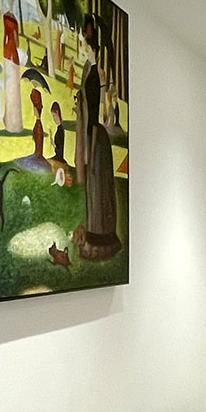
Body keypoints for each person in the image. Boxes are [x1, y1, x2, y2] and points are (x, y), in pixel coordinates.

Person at [75, 14, 120, 260]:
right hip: (91, 134)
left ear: (92, 48)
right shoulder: (88, 71)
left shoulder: (96, 74)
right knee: (94, 189)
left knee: (98, 188)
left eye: (85, 44)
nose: (82, 47)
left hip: (96, 138)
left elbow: (96, 108)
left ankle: (100, 235)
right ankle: (95, 232)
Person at [0, 10, 24, 134]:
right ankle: (14, 124)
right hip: (12, 55)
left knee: (10, 89)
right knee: (13, 89)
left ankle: (10, 122)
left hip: (7, 53)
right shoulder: (13, 21)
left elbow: (5, 38)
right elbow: (17, 41)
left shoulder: (6, 18)